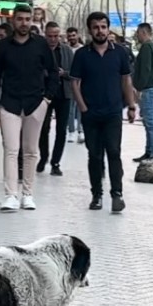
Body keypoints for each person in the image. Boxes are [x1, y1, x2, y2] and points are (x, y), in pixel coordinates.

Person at [0, 4, 60, 212]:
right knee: (11, 150)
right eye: (20, 19)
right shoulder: (3, 46)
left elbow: (53, 72)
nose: (24, 23)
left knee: (30, 151)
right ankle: (10, 195)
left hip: (35, 103)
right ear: (13, 21)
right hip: (9, 104)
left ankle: (27, 195)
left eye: (27, 19)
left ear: (32, 21)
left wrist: (47, 99)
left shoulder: (41, 45)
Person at [69, 11, 136, 214]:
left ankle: (117, 194)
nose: (100, 30)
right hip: (91, 113)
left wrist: (131, 106)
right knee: (95, 155)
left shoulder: (120, 52)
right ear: (90, 30)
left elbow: (126, 80)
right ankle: (96, 194)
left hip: (113, 112)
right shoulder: (82, 54)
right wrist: (83, 107)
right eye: (96, 27)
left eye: (103, 26)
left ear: (108, 29)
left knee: (114, 153)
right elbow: (75, 82)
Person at [36, 22, 73, 177]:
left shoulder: (66, 51)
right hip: (44, 95)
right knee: (43, 129)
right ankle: (43, 156)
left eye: (55, 36)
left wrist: (63, 73)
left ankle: (55, 162)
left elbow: (75, 72)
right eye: (50, 36)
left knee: (61, 130)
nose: (52, 39)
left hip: (63, 95)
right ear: (45, 35)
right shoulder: (39, 50)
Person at [130, 22, 153, 163]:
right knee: (149, 122)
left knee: (151, 122)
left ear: (144, 33)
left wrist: (138, 87)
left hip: (147, 89)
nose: (137, 36)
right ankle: (149, 151)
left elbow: (145, 70)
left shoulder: (146, 48)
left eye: (138, 33)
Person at [65, 27, 85, 144]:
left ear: (77, 35)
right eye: (69, 36)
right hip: (69, 83)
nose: (71, 38)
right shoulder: (66, 50)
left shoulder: (83, 49)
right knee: (70, 109)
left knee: (81, 108)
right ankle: (71, 131)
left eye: (73, 35)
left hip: (82, 83)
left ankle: (81, 131)